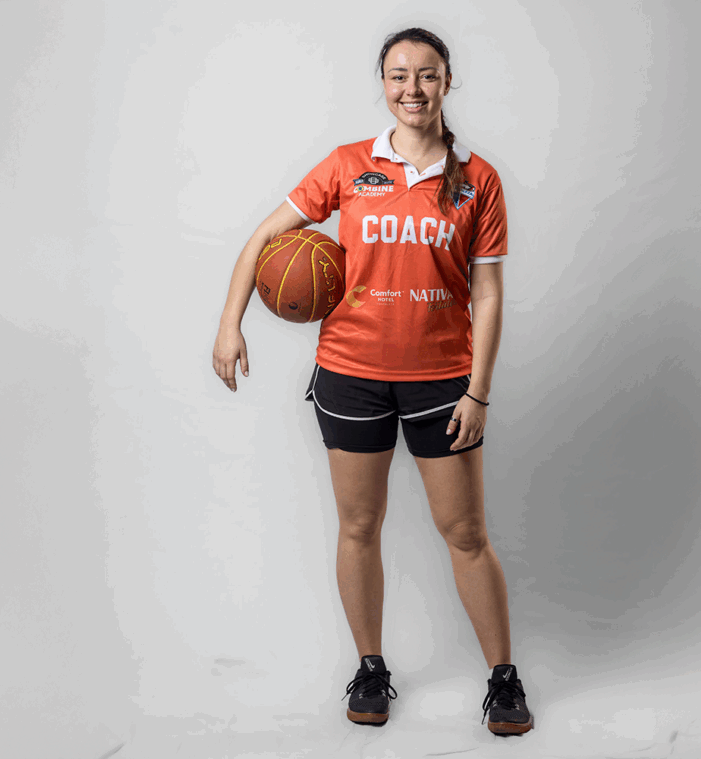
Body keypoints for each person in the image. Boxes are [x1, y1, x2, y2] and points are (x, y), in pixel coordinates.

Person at [213, 27, 532, 736]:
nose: (412, 89)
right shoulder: (349, 165)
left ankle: (504, 678)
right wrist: (230, 324)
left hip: (442, 382)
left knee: (465, 532)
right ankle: (370, 667)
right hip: (351, 375)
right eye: (398, 75)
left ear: (447, 81)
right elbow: (262, 239)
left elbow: (487, 293)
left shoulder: (477, 178)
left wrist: (478, 390)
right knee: (359, 525)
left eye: (426, 74)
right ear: (383, 84)